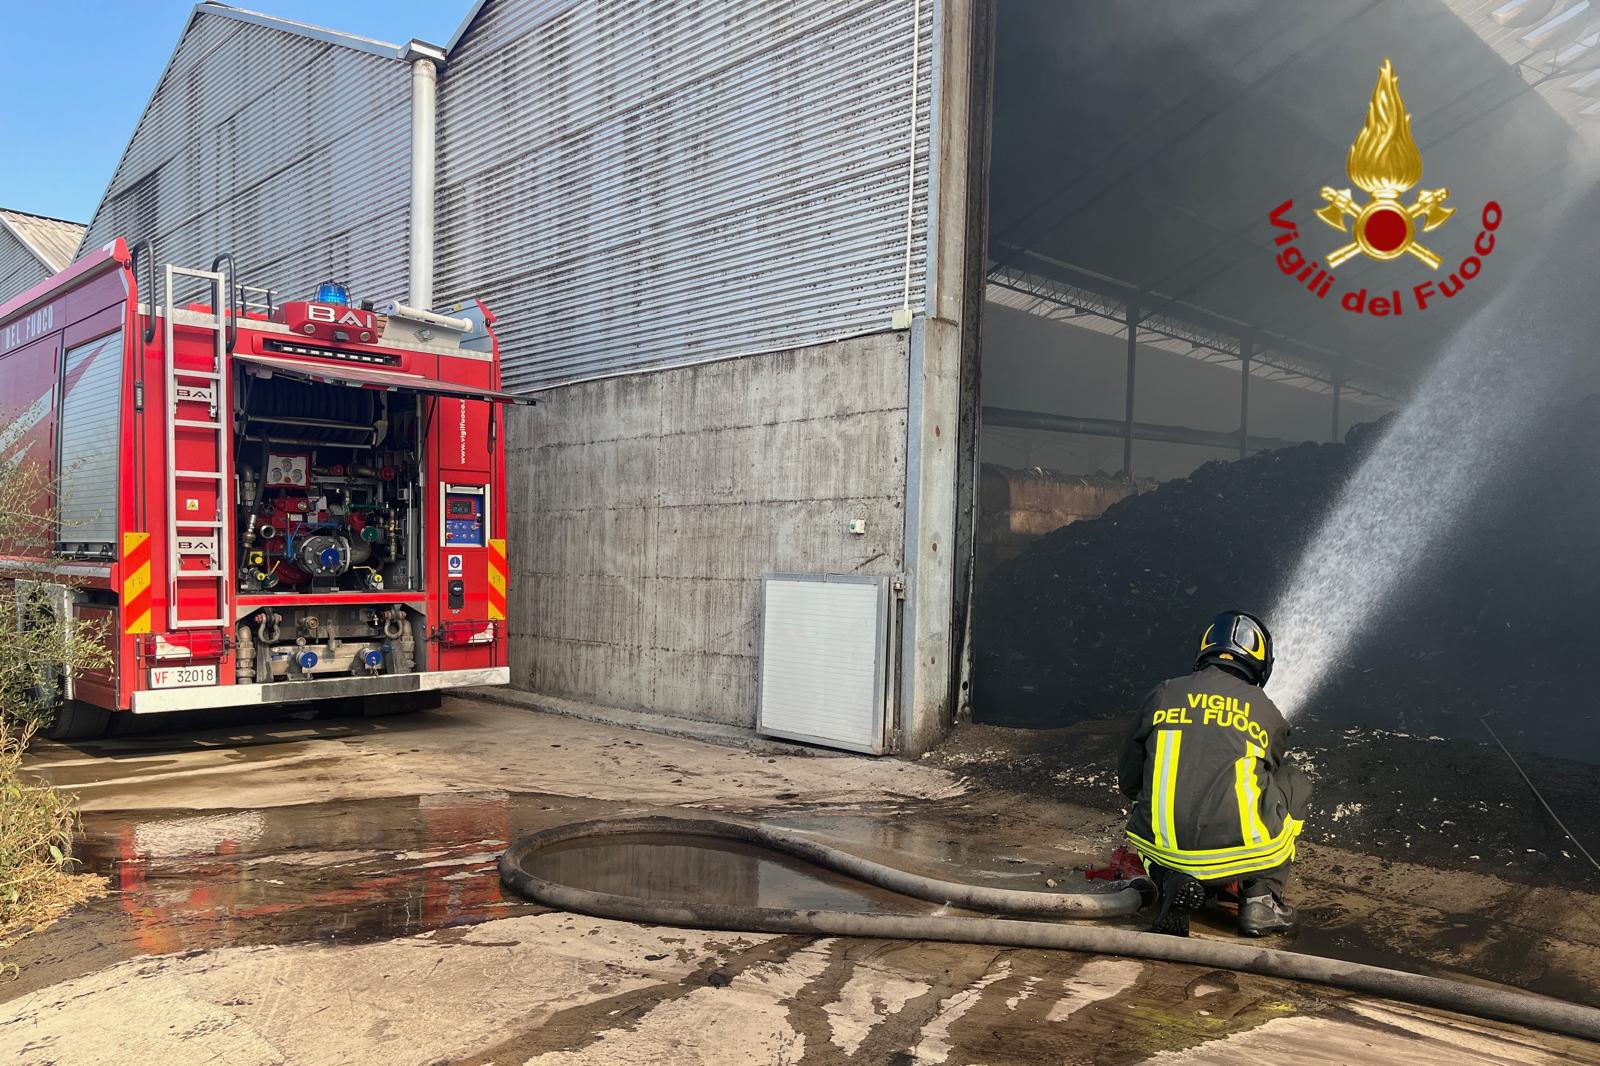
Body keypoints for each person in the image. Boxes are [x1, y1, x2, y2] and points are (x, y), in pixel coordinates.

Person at [1117, 610, 1311, 937]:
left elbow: (1129, 782)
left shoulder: (1164, 693)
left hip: (1163, 848)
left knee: (1147, 828)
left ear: (1205, 649)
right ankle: (1261, 897)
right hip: (1243, 852)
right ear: (1261, 663)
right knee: (1295, 782)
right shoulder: (1268, 712)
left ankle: (1170, 878)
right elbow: (1267, 779)